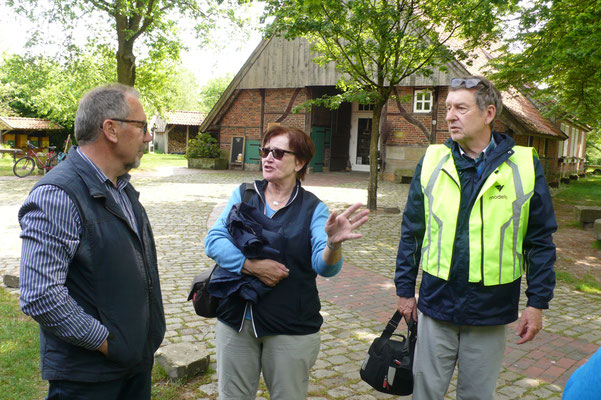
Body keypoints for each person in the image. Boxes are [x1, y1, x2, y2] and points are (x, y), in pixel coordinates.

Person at [394, 75, 557, 399]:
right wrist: (404, 289)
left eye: (461, 108)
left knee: (477, 395)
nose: (450, 115)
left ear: (489, 113)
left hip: (490, 310)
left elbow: (539, 240)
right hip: (436, 303)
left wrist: (537, 303)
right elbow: (412, 230)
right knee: (424, 392)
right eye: (448, 107)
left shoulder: (523, 165)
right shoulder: (432, 162)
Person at [18, 84, 165, 399]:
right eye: (142, 127)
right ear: (111, 129)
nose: (148, 137)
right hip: (89, 380)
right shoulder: (57, 195)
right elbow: (40, 294)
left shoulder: (121, 188)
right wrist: (109, 343)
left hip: (133, 368)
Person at [205, 125, 369, 400]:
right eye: (265, 151)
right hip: (237, 320)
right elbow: (214, 241)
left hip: (290, 325)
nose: (268, 158)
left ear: (300, 162)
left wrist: (333, 244)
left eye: (279, 153)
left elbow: (325, 266)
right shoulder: (245, 194)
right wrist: (252, 266)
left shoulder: (314, 209)